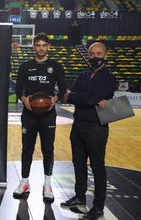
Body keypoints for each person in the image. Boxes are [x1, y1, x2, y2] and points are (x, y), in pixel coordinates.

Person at [61, 42, 117, 219]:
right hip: (77, 125)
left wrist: (78, 97)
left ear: (105, 56)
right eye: (92, 54)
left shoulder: (109, 78)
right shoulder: (83, 75)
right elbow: (68, 96)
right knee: (78, 164)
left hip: (96, 128)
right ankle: (79, 197)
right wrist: (84, 98)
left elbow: (83, 97)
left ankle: (98, 207)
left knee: (97, 167)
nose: (95, 57)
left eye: (99, 54)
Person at [14, 32, 66, 203]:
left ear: (48, 46)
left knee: (48, 149)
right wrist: (24, 100)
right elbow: (18, 90)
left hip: (48, 115)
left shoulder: (56, 67)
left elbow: (63, 89)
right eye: (38, 45)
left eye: (44, 45)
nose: (41, 48)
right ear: (34, 46)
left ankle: (48, 184)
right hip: (29, 114)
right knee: (26, 149)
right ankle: (24, 182)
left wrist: (55, 99)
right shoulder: (25, 67)